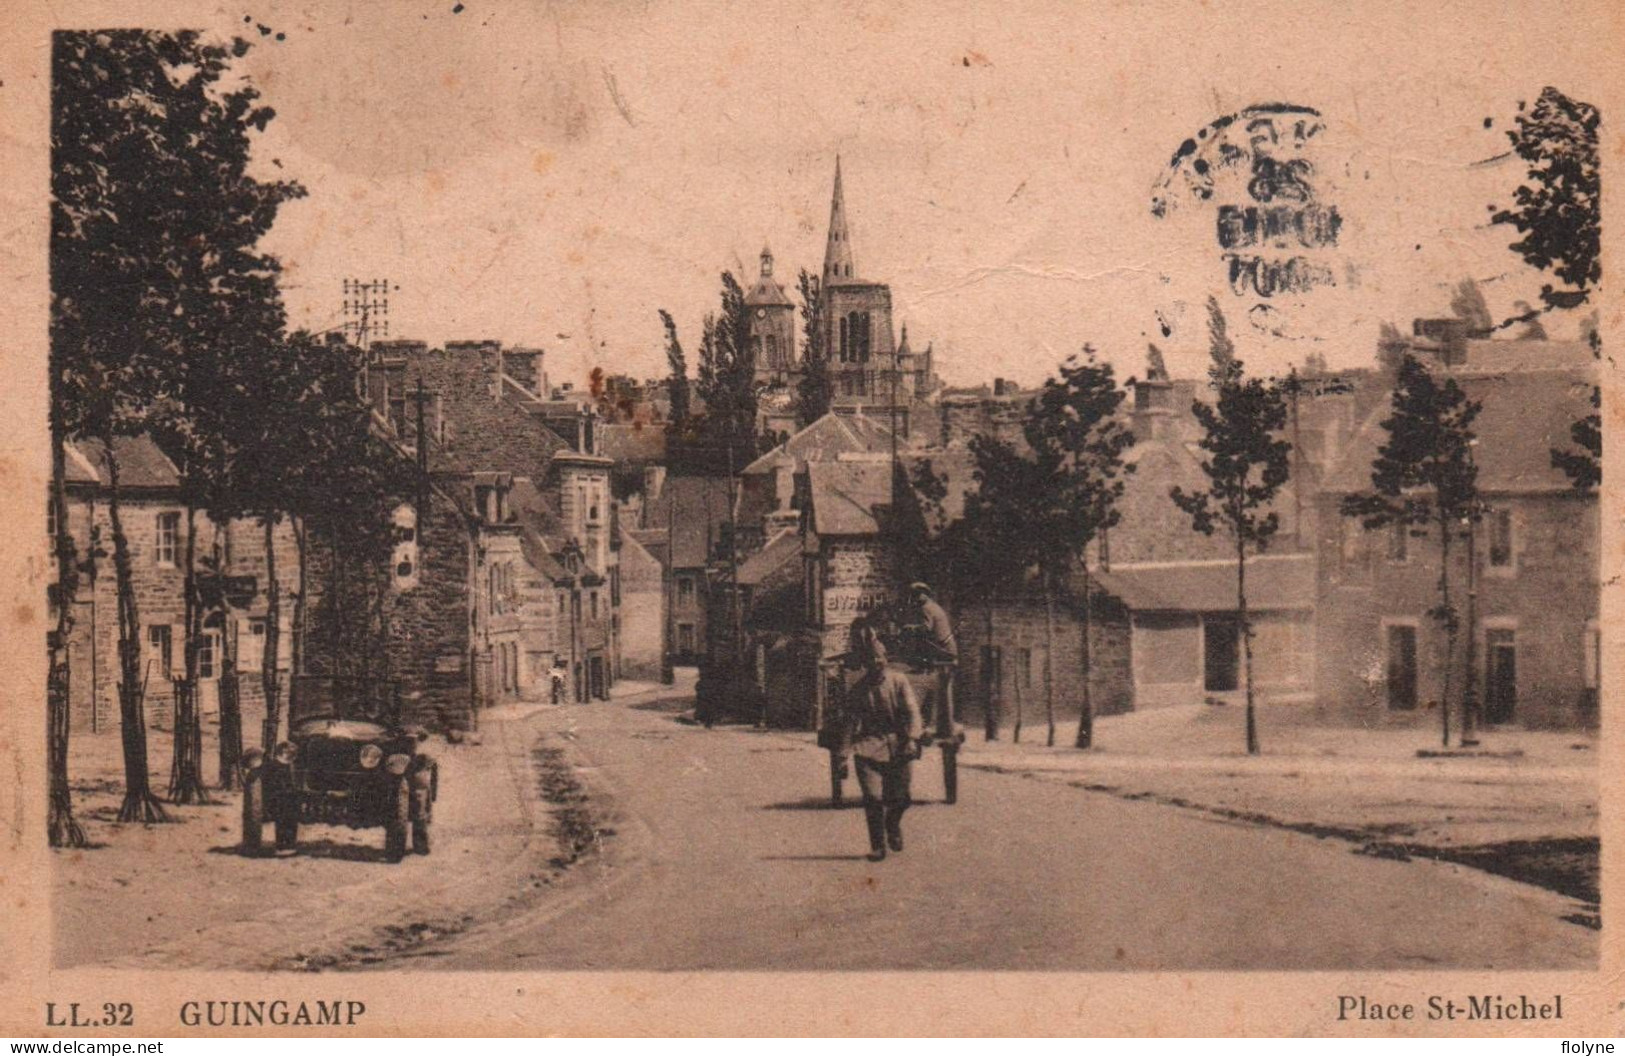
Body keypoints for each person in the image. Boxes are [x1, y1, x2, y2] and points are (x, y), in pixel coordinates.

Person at [846, 624, 925, 862]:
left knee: (902, 799)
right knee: (872, 798)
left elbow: (912, 711)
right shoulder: (858, 690)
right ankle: (878, 846)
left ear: (885, 659)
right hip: (868, 747)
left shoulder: (899, 681)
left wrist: (911, 738)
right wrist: (842, 755)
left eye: (880, 659)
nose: (876, 663)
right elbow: (848, 723)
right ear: (865, 664)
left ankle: (892, 824)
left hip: (898, 744)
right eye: (871, 660)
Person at [906, 582, 958, 665]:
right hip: (948, 644)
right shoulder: (933, 605)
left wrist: (912, 628)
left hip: (943, 648)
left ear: (924, 594)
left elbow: (927, 628)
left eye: (916, 595)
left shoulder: (926, 608)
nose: (915, 598)